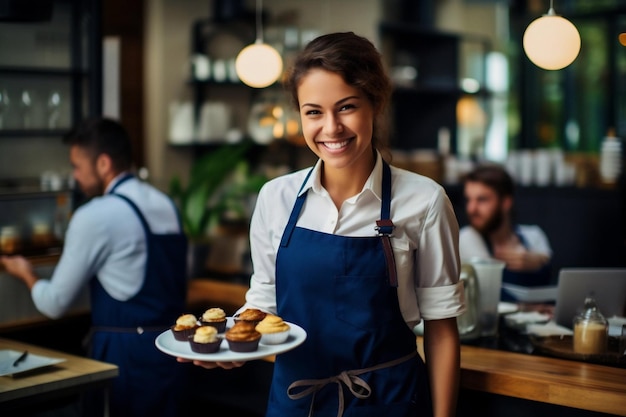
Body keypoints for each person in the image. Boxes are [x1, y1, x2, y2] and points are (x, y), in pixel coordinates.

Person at [180, 32, 464, 417]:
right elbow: (264, 305)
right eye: (313, 111)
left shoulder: (425, 201)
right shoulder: (275, 198)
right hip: (297, 401)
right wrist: (231, 349)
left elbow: (441, 328)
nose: (331, 128)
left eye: (346, 107)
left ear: (375, 104)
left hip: (387, 400)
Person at [0, 117, 189, 417]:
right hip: (173, 352)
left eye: (77, 166)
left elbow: (54, 303)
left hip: (124, 358)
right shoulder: (165, 203)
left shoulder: (95, 215)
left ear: (103, 163)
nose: (74, 177)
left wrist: (26, 273)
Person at [459, 163, 553, 296]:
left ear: (506, 202)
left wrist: (539, 262)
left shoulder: (533, 235)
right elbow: (487, 291)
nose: (471, 209)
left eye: (482, 200)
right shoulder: (468, 237)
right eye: (468, 200)